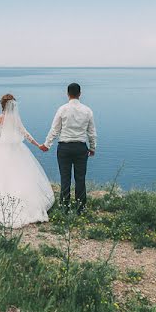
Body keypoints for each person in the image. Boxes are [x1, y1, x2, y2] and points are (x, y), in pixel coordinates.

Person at [0, 94, 55, 227]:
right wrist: (37, 144)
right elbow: (25, 133)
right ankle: (25, 206)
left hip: (2, 149)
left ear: (2, 105)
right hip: (17, 149)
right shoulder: (16, 119)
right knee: (21, 176)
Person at [40, 83, 97, 214]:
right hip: (80, 148)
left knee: (65, 178)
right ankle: (80, 208)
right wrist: (92, 147)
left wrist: (47, 145)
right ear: (80, 94)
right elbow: (92, 132)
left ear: (67, 94)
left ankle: (65, 208)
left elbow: (54, 130)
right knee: (80, 178)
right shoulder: (87, 110)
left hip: (64, 148)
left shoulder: (62, 109)